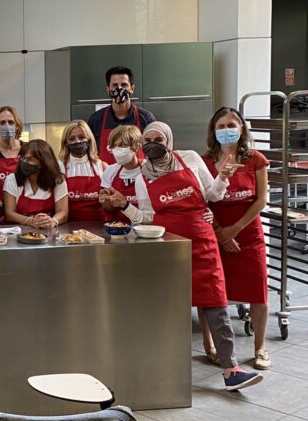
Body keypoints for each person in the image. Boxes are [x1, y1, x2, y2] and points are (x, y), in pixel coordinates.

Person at [102, 121, 262, 391]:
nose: (152, 145)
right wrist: (125, 205)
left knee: (217, 304)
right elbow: (146, 217)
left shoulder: (190, 159)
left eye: (158, 140)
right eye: (147, 141)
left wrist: (223, 177)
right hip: (169, 247)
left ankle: (231, 370)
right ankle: (164, 372)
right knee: (168, 309)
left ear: (169, 141)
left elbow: (212, 195)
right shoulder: (142, 178)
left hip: (203, 242)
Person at [203, 107, 271, 370]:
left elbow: (261, 200)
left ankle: (260, 348)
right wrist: (221, 233)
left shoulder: (256, 160)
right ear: (213, 131)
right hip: (214, 233)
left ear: (242, 129)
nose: (227, 130)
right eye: (221, 126)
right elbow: (201, 201)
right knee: (211, 292)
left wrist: (235, 229)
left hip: (249, 234)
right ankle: (210, 346)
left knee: (258, 290)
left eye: (232, 125)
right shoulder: (204, 162)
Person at [86, 67, 156, 164]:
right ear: (108, 89)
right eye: (115, 85)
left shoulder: (146, 118)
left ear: (132, 89)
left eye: (124, 85)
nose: (119, 88)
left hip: (138, 172)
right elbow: (90, 153)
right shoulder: (96, 119)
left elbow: (154, 150)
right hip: (106, 172)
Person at [2, 139, 68, 230]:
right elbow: (9, 214)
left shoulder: (58, 180)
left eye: (30, 159)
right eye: (22, 158)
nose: (24, 162)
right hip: (18, 231)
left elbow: (63, 212)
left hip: (48, 232)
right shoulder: (12, 179)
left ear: (43, 162)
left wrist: (53, 221)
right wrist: (30, 221)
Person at [58, 120, 106, 222]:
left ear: (89, 139)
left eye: (82, 137)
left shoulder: (102, 166)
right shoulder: (59, 167)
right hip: (67, 226)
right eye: (72, 139)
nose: (77, 141)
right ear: (65, 143)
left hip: (98, 225)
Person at [98, 125, 143, 223]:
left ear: (136, 147)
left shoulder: (148, 169)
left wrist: (124, 202)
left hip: (145, 227)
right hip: (118, 227)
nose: (117, 150)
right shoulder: (110, 171)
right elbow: (108, 209)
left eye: (122, 145)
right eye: (114, 146)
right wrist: (106, 201)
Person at [0, 106, 24, 215]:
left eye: (11, 122)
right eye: (2, 123)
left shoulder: (27, 149)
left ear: (17, 125)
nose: (7, 126)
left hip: (24, 209)